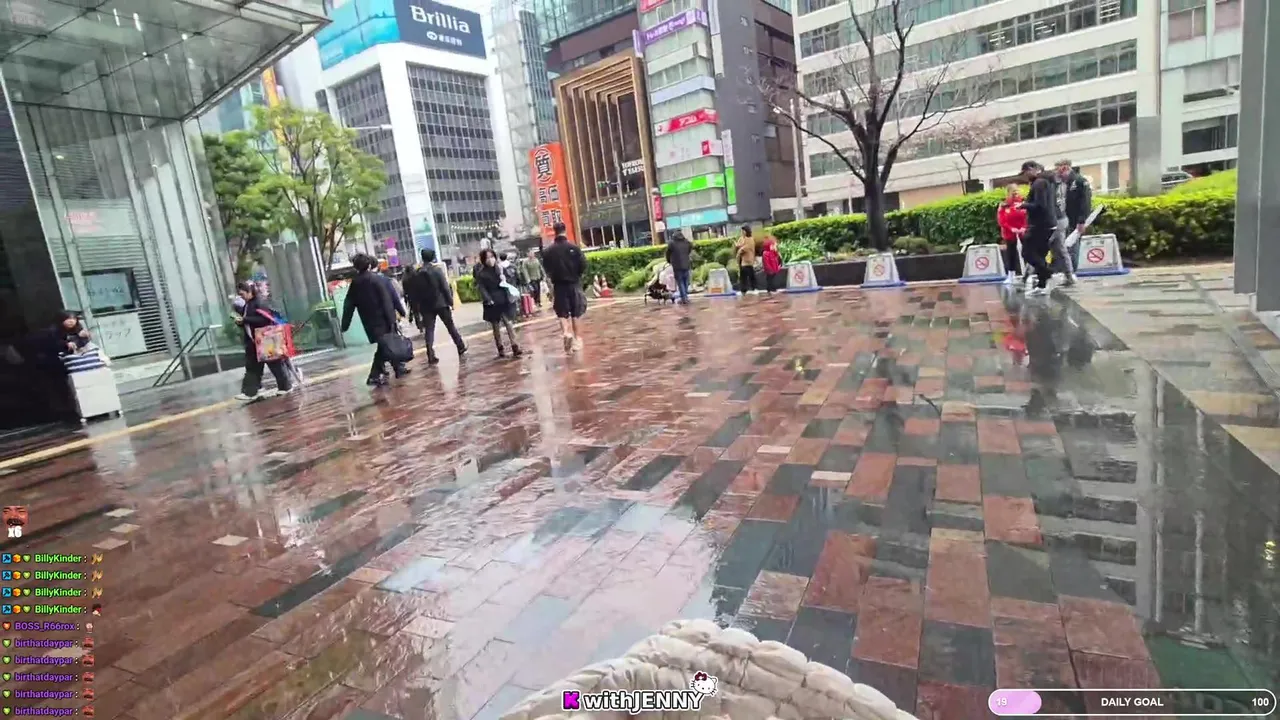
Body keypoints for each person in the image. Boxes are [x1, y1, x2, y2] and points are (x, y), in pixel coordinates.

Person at [342, 253, 409, 386]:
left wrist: (345, 324)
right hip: (383, 319)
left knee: (385, 345)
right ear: (368, 265)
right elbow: (386, 300)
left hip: (369, 321)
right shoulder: (377, 279)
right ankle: (374, 375)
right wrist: (392, 320)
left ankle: (397, 368)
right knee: (385, 346)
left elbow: (348, 305)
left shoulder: (355, 283)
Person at [233, 282, 294, 401]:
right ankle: (250, 392)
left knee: (274, 364)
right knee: (253, 367)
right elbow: (251, 321)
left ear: (249, 292)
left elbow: (264, 319)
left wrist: (245, 319)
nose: (241, 297)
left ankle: (285, 386)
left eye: (242, 294)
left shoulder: (259, 303)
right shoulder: (249, 304)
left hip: (265, 339)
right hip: (254, 341)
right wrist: (242, 322)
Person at [405, 249, 467, 365]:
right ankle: (460, 346)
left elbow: (415, 292)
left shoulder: (417, 273)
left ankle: (430, 353)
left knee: (429, 330)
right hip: (441, 303)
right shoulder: (437, 270)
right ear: (433, 257)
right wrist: (450, 302)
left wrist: (417, 307)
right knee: (450, 326)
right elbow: (445, 287)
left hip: (426, 306)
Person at [542, 222, 588, 352]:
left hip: (558, 285)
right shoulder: (573, 248)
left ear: (554, 231)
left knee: (561, 312)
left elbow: (546, 268)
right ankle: (577, 339)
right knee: (576, 311)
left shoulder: (548, 251)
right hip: (573, 283)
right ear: (564, 230)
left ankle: (566, 333)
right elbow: (583, 265)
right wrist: (577, 275)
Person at [1018, 160, 1058, 296]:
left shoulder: (1039, 183)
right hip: (1048, 223)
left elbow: (1040, 205)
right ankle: (1042, 285)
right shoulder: (1047, 181)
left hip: (1040, 224)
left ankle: (1048, 274)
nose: (1025, 176)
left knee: (1028, 253)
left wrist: (1023, 205)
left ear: (1032, 169)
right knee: (1040, 255)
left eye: (1025, 173)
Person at [473, 248, 522, 358]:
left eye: (492, 257)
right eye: (487, 258)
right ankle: (500, 347)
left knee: (508, 323)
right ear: (483, 260)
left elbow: (509, 281)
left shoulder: (499, 269)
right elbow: (482, 288)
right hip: (491, 302)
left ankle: (515, 346)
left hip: (503, 299)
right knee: (496, 326)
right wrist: (488, 299)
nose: (490, 260)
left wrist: (504, 279)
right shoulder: (481, 273)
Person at [1054, 159, 1092, 286]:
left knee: (1072, 246)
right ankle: (1066, 272)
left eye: (1058, 168)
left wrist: (1082, 220)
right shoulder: (1061, 184)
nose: (1056, 172)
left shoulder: (1079, 181)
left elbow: (1085, 202)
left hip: (1075, 220)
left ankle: (1072, 273)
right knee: (1064, 247)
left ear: (1065, 167)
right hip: (1063, 219)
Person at [996, 185, 1028, 285]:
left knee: (1028, 252)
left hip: (1023, 231)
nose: (1015, 194)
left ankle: (1029, 274)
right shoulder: (1004, 205)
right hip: (1009, 233)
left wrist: (1024, 227)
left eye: (1017, 192)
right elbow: (1001, 220)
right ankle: (1011, 276)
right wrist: (1011, 228)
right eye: (1013, 192)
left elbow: (1028, 216)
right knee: (1011, 254)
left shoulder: (1023, 202)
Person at [665, 230, 694, 304]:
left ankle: (684, 298)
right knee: (686, 282)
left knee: (680, 282)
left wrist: (669, 260)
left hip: (677, 266)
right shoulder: (686, 242)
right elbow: (690, 248)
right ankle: (685, 297)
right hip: (686, 264)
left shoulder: (672, 243)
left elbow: (668, 253)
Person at [736, 226, 759, 294]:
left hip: (748, 260)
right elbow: (739, 245)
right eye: (741, 231)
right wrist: (738, 246)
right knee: (743, 276)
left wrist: (740, 249)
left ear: (746, 231)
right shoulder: (741, 238)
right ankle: (743, 290)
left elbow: (746, 248)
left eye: (743, 231)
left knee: (750, 275)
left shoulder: (750, 239)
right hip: (742, 260)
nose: (742, 232)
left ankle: (754, 288)